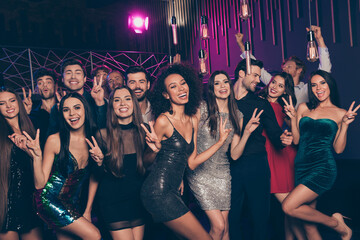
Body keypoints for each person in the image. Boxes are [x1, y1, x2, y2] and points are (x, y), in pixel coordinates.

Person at [140, 64, 235, 240]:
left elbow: (192, 162)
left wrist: (220, 142)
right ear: (166, 95)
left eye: (183, 83)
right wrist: (154, 150)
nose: (181, 89)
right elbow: (145, 162)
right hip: (157, 191)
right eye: (173, 87)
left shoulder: (192, 119)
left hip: (174, 190)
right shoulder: (163, 121)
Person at [186, 70, 262, 240]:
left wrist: (247, 132)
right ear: (212, 88)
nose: (222, 86)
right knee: (218, 226)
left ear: (230, 85)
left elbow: (235, 154)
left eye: (225, 82)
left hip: (223, 174)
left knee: (225, 228)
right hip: (200, 173)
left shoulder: (238, 115)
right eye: (217, 83)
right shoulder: (202, 109)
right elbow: (189, 144)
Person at [281, 70, 357, 240]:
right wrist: (293, 118)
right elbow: (297, 140)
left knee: (289, 207)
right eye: (314, 85)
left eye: (322, 83)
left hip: (322, 168)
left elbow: (338, 150)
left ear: (330, 85)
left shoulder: (340, 113)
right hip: (301, 167)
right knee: (308, 224)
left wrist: (344, 125)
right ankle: (336, 224)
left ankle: (336, 224)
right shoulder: (303, 107)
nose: (318, 88)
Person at [20, 93, 101, 240]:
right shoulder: (55, 140)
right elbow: (39, 184)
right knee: (94, 236)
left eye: (77, 107)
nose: (72, 114)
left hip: (71, 201)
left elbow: (95, 177)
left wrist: (87, 210)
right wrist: (37, 157)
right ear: (61, 114)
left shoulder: (95, 138)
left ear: (85, 110)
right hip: (48, 200)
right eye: (66, 109)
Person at [229, 59, 293, 239]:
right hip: (228, 167)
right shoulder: (223, 100)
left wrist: (283, 138)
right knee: (231, 217)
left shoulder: (260, 104)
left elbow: (274, 133)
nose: (258, 80)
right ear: (242, 73)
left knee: (260, 218)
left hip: (256, 164)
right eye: (255, 75)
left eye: (259, 75)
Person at [84, 86, 147, 240]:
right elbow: (96, 175)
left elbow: (149, 167)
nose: (122, 103)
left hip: (138, 200)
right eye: (117, 100)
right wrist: (88, 209)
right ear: (111, 106)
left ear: (134, 103)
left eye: (127, 98)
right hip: (113, 202)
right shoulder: (102, 134)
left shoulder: (144, 132)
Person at [258, 72, 305, 240]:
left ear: (285, 91)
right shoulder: (257, 101)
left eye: (280, 86)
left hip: (283, 156)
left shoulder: (283, 107)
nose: (274, 87)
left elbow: (295, 134)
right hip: (268, 156)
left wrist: (292, 123)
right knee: (288, 208)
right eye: (273, 82)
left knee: (289, 208)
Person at [236, 25, 332, 108]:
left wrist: (319, 40)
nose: (284, 69)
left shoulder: (306, 89)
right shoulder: (274, 84)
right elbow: (256, 66)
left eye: (289, 67)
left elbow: (325, 70)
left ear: (299, 70)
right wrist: (241, 45)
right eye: (284, 67)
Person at [0, 87, 42, 240]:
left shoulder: (32, 127)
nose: (9, 106)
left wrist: (28, 150)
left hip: (29, 201)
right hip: (5, 203)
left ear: (19, 102)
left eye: (12, 101)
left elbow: (41, 175)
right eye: (2, 103)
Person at [47, 58, 107, 136]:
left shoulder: (97, 101)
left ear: (85, 78)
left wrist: (99, 103)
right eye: (68, 73)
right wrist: (62, 114)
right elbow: (52, 138)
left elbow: (105, 132)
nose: (73, 77)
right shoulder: (57, 107)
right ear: (62, 79)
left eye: (78, 73)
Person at [29, 67, 58, 149]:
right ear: (37, 88)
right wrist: (26, 114)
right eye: (40, 83)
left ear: (56, 86)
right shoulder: (33, 114)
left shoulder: (66, 110)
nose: (45, 85)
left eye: (48, 82)